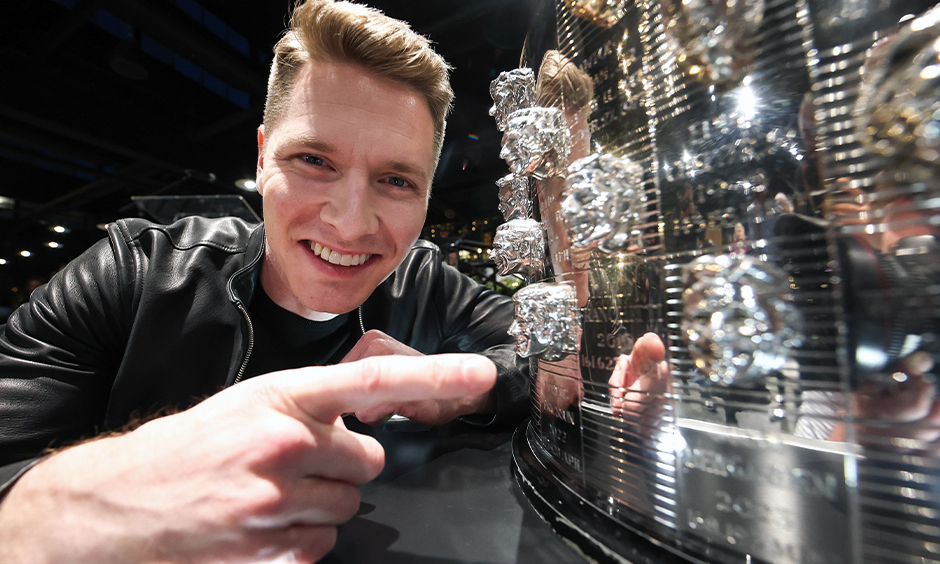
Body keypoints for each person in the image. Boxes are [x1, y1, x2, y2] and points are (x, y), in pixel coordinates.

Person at [0, 1, 528, 562]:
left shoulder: (425, 281)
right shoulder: (133, 270)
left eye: (396, 179)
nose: (350, 224)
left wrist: (468, 389)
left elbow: (544, 352)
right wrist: (86, 506)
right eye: (314, 161)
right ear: (260, 159)